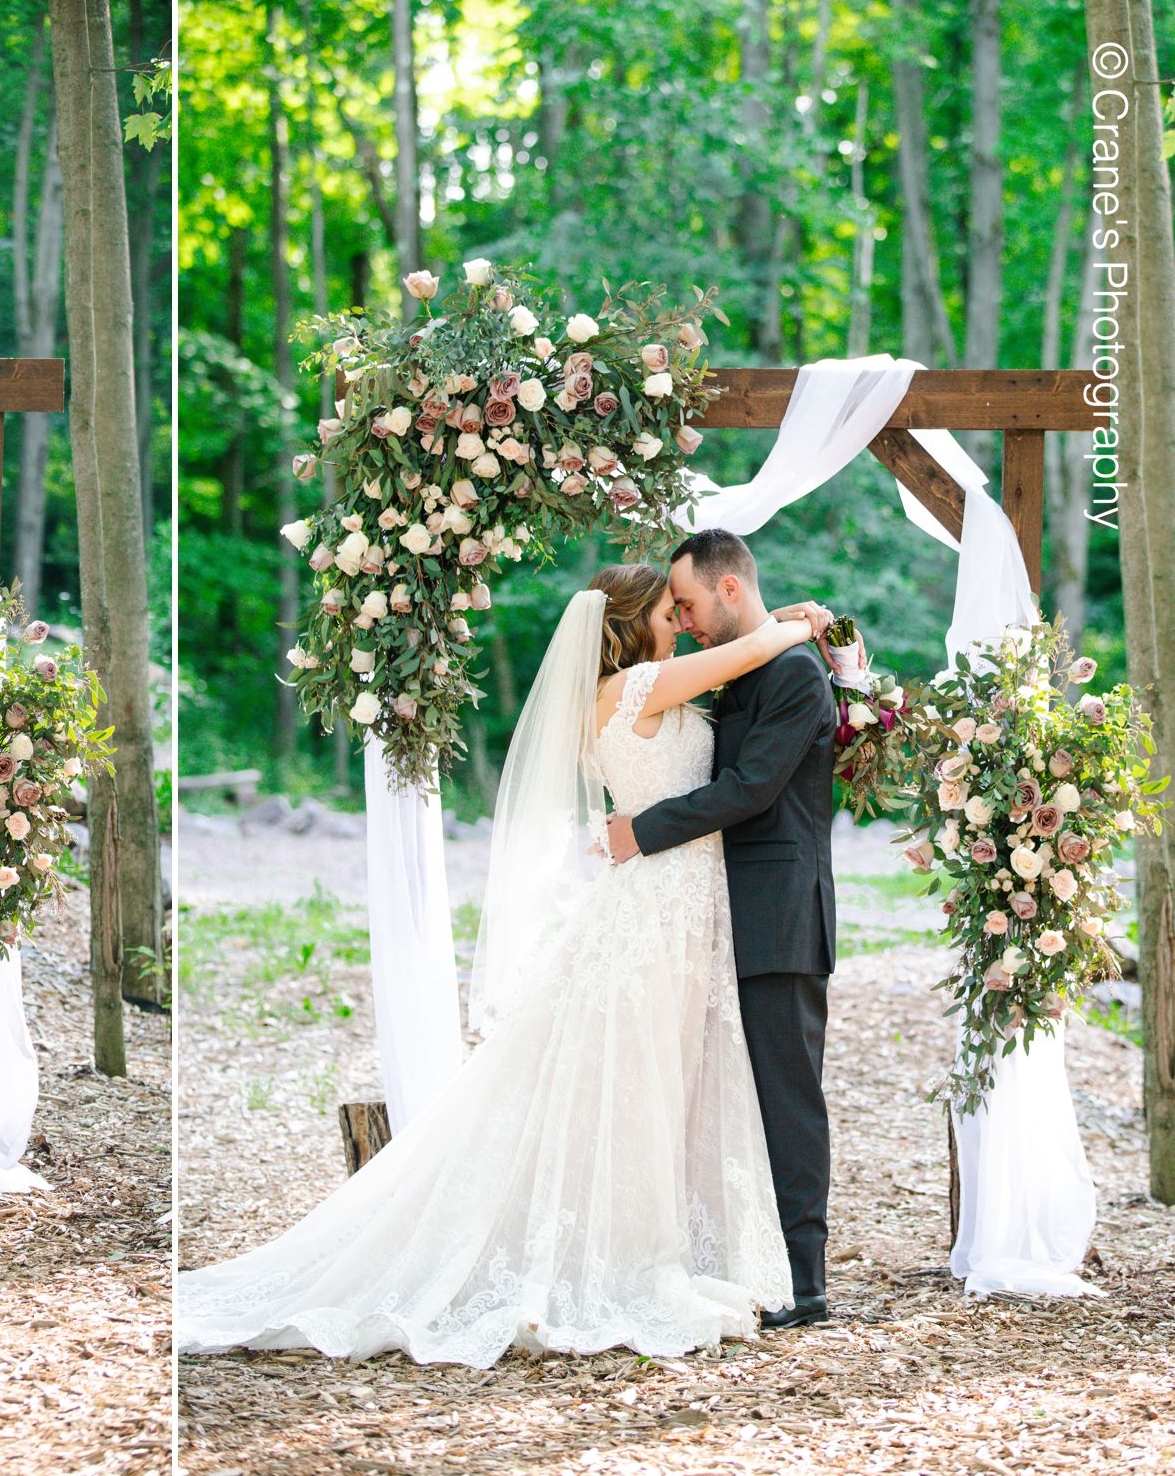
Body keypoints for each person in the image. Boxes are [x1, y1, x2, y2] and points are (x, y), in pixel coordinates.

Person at [176, 560, 831, 1364]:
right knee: (640, 1083)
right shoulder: (637, 686)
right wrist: (801, 623)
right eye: (670, 609)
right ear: (632, 624)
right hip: (655, 911)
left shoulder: (653, 686)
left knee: (664, 1085)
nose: (683, 620)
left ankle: (664, 1244)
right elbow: (742, 655)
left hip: (689, 911)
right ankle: (631, 1260)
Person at [605, 528, 839, 1329]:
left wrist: (642, 829)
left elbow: (748, 789)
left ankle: (806, 1283)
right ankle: (730, 1259)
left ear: (730, 589)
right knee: (713, 1097)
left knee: (786, 1095)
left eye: (692, 604)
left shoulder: (798, 676)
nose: (689, 620)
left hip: (777, 916)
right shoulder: (741, 672)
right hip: (705, 920)